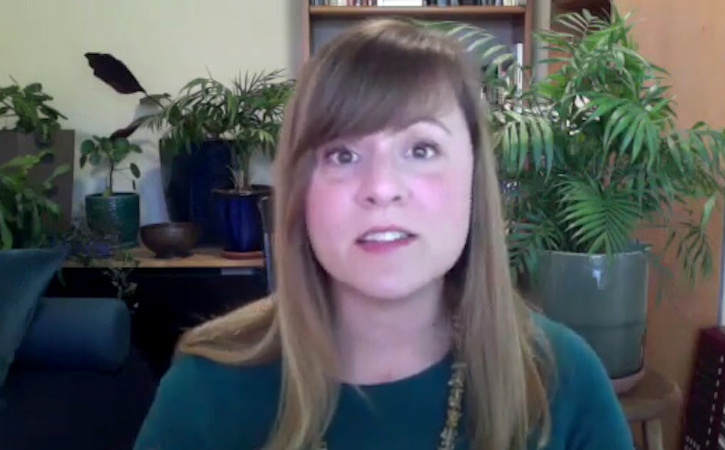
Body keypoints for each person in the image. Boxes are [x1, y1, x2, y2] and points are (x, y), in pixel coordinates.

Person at [133, 18, 634, 450]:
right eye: (342, 155)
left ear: (474, 180)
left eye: (420, 149)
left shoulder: (563, 382)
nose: (381, 189)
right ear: (300, 191)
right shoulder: (206, 392)